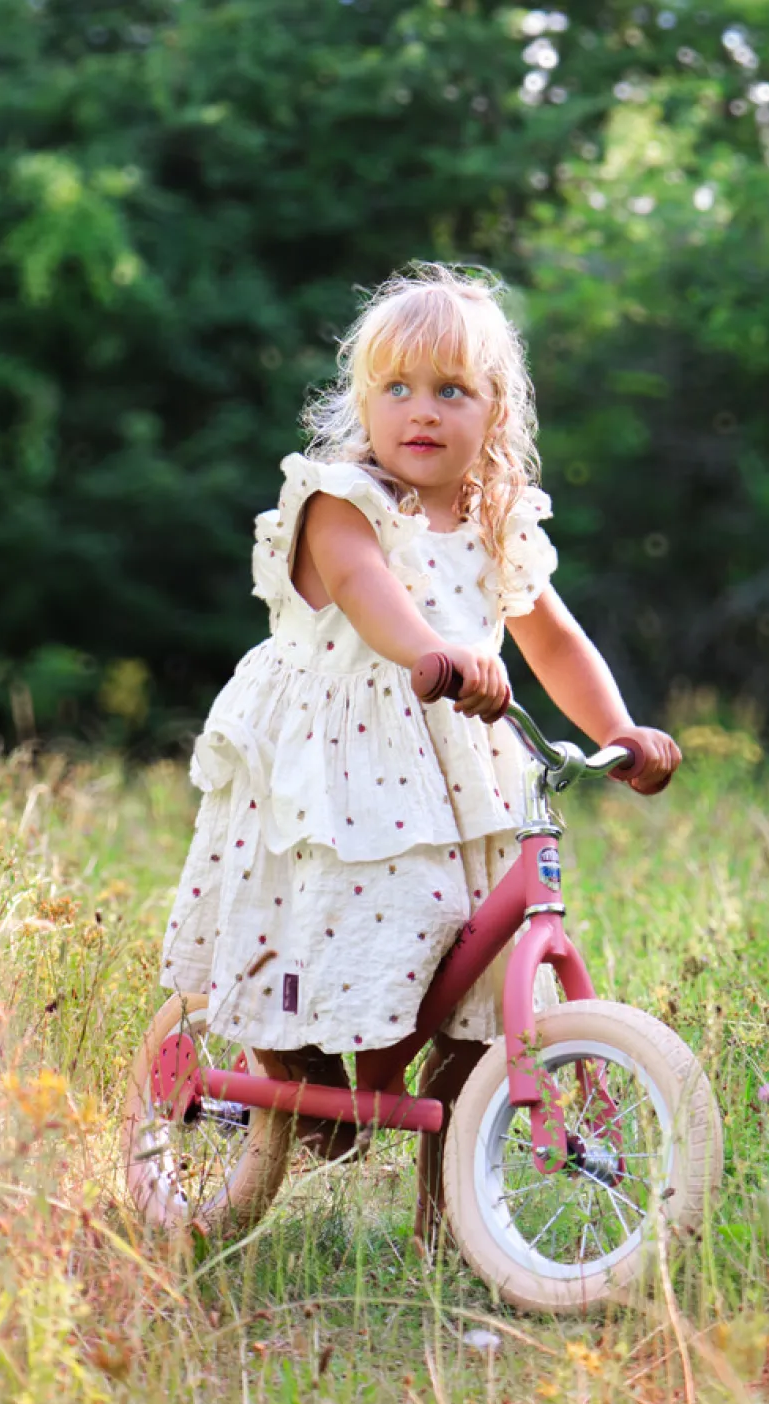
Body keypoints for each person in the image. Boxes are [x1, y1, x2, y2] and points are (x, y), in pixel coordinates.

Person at [161, 263, 680, 1243]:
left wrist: (619, 730)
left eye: (452, 390)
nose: (422, 411)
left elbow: (553, 639)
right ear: (363, 400)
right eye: (397, 388)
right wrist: (434, 652)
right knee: (365, 924)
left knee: (473, 989)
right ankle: (297, 1071)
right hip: (342, 763)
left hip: (458, 768)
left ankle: (455, 1213)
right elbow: (365, 590)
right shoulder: (339, 499)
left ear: (496, 409)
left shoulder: (494, 517)